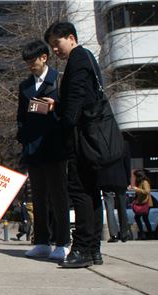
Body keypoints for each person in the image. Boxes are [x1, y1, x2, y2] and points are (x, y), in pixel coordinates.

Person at [43, 22, 104, 268]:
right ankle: (94, 248)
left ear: (70, 37)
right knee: (91, 191)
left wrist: (63, 118)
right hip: (90, 134)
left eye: (56, 44)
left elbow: (76, 101)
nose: (55, 50)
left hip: (80, 136)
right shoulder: (86, 58)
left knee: (79, 191)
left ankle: (82, 248)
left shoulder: (78, 59)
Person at [16, 39, 70, 261]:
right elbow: (21, 116)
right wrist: (23, 138)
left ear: (44, 57)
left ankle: (63, 241)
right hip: (33, 149)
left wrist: (54, 108)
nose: (30, 65)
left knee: (59, 196)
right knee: (37, 197)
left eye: (33, 60)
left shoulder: (59, 79)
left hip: (55, 147)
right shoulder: (24, 86)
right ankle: (41, 241)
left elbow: (68, 111)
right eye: (27, 61)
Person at [98, 144, 131, 243]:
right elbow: (127, 164)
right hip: (121, 179)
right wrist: (128, 179)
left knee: (109, 208)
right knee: (122, 207)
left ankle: (114, 234)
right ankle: (124, 233)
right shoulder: (124, 145)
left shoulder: (103, 145)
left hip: (106, 179)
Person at [129, 169, 153, 240]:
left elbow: (147, 191)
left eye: (136, 176)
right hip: (141, 202)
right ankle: (145, 234)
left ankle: (147, 234)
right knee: (141, 218)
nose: (135, 178)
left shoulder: (144, 182)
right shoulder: (139, 182)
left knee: (143, 218)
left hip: (146, 203)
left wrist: (137, 189)